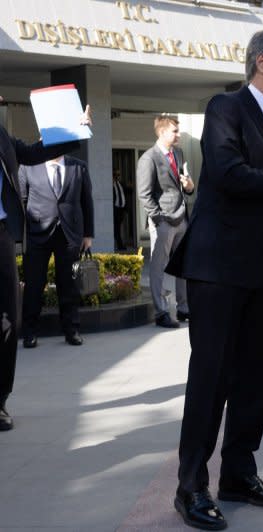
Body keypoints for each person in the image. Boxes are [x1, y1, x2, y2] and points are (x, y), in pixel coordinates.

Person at [164, 29, 263, 531]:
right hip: (218, 271)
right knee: (211, 380)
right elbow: (229, 173)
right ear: (261, 63)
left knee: (254, 378)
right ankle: (191, 488)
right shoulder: (224, 108)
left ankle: (238, 474)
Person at [0, 96, 91, 432]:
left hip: (1, 237)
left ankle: (0, 401)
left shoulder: (2, 136)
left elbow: (35, 152)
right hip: (27, 234)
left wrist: (75, 129)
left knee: (8, 317)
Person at [19, 155, 94, 348]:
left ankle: (72, 330)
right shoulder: (29, 165)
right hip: (37, 235)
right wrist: (20, 235)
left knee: (68, 285)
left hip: (69, 235)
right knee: (34, 285)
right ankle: (29, 332)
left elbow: (87, 201)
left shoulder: (78, 166)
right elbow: (22, 200)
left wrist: (88, 234)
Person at [136, 114, 194, 328]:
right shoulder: (148, 159)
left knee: (184, 265)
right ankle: (161, 312)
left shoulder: (178, 153)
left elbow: (186, 188)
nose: (178, 135)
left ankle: (183, 308)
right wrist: (158, 219)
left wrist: (189, 185)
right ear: (162, 132)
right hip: (163, 221)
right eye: (175, 131)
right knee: (158, 267)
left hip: (182, 218)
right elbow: (144, 194)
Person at [112, 169, 127, 250]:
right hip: (116, 209)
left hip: (122, 209)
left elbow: (125, 193)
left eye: (118, 175)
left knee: (120, 227)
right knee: (116, 228)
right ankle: (120, 245)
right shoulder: (111, 185)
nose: (117, 177)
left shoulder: (120, 184)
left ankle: (120, 244)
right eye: (116, 175)